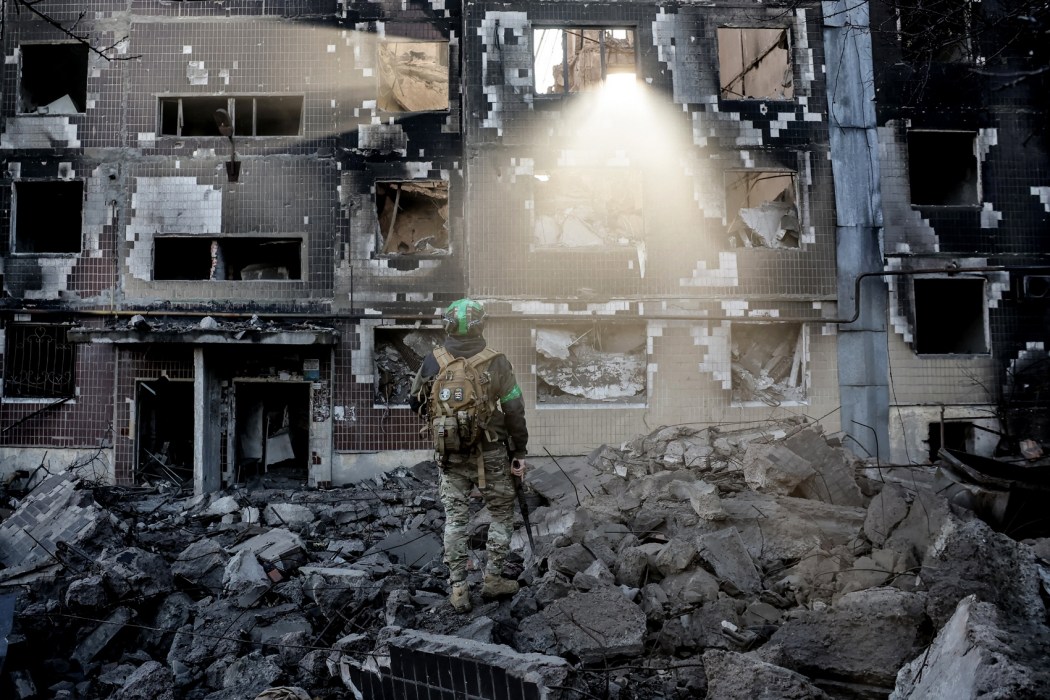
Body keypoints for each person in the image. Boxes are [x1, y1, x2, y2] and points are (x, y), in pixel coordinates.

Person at [409, 298, 529, 613]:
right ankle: (493, 580)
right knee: (501, 515)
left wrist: (446, 421)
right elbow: (514, 409)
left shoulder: (433, 361)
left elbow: (414, 402)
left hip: (450, 455)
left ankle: (459, 590)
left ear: (448, 326)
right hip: (492, 453)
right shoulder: (497, 362)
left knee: (455, 520)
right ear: (481, 325)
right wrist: (519, 451)